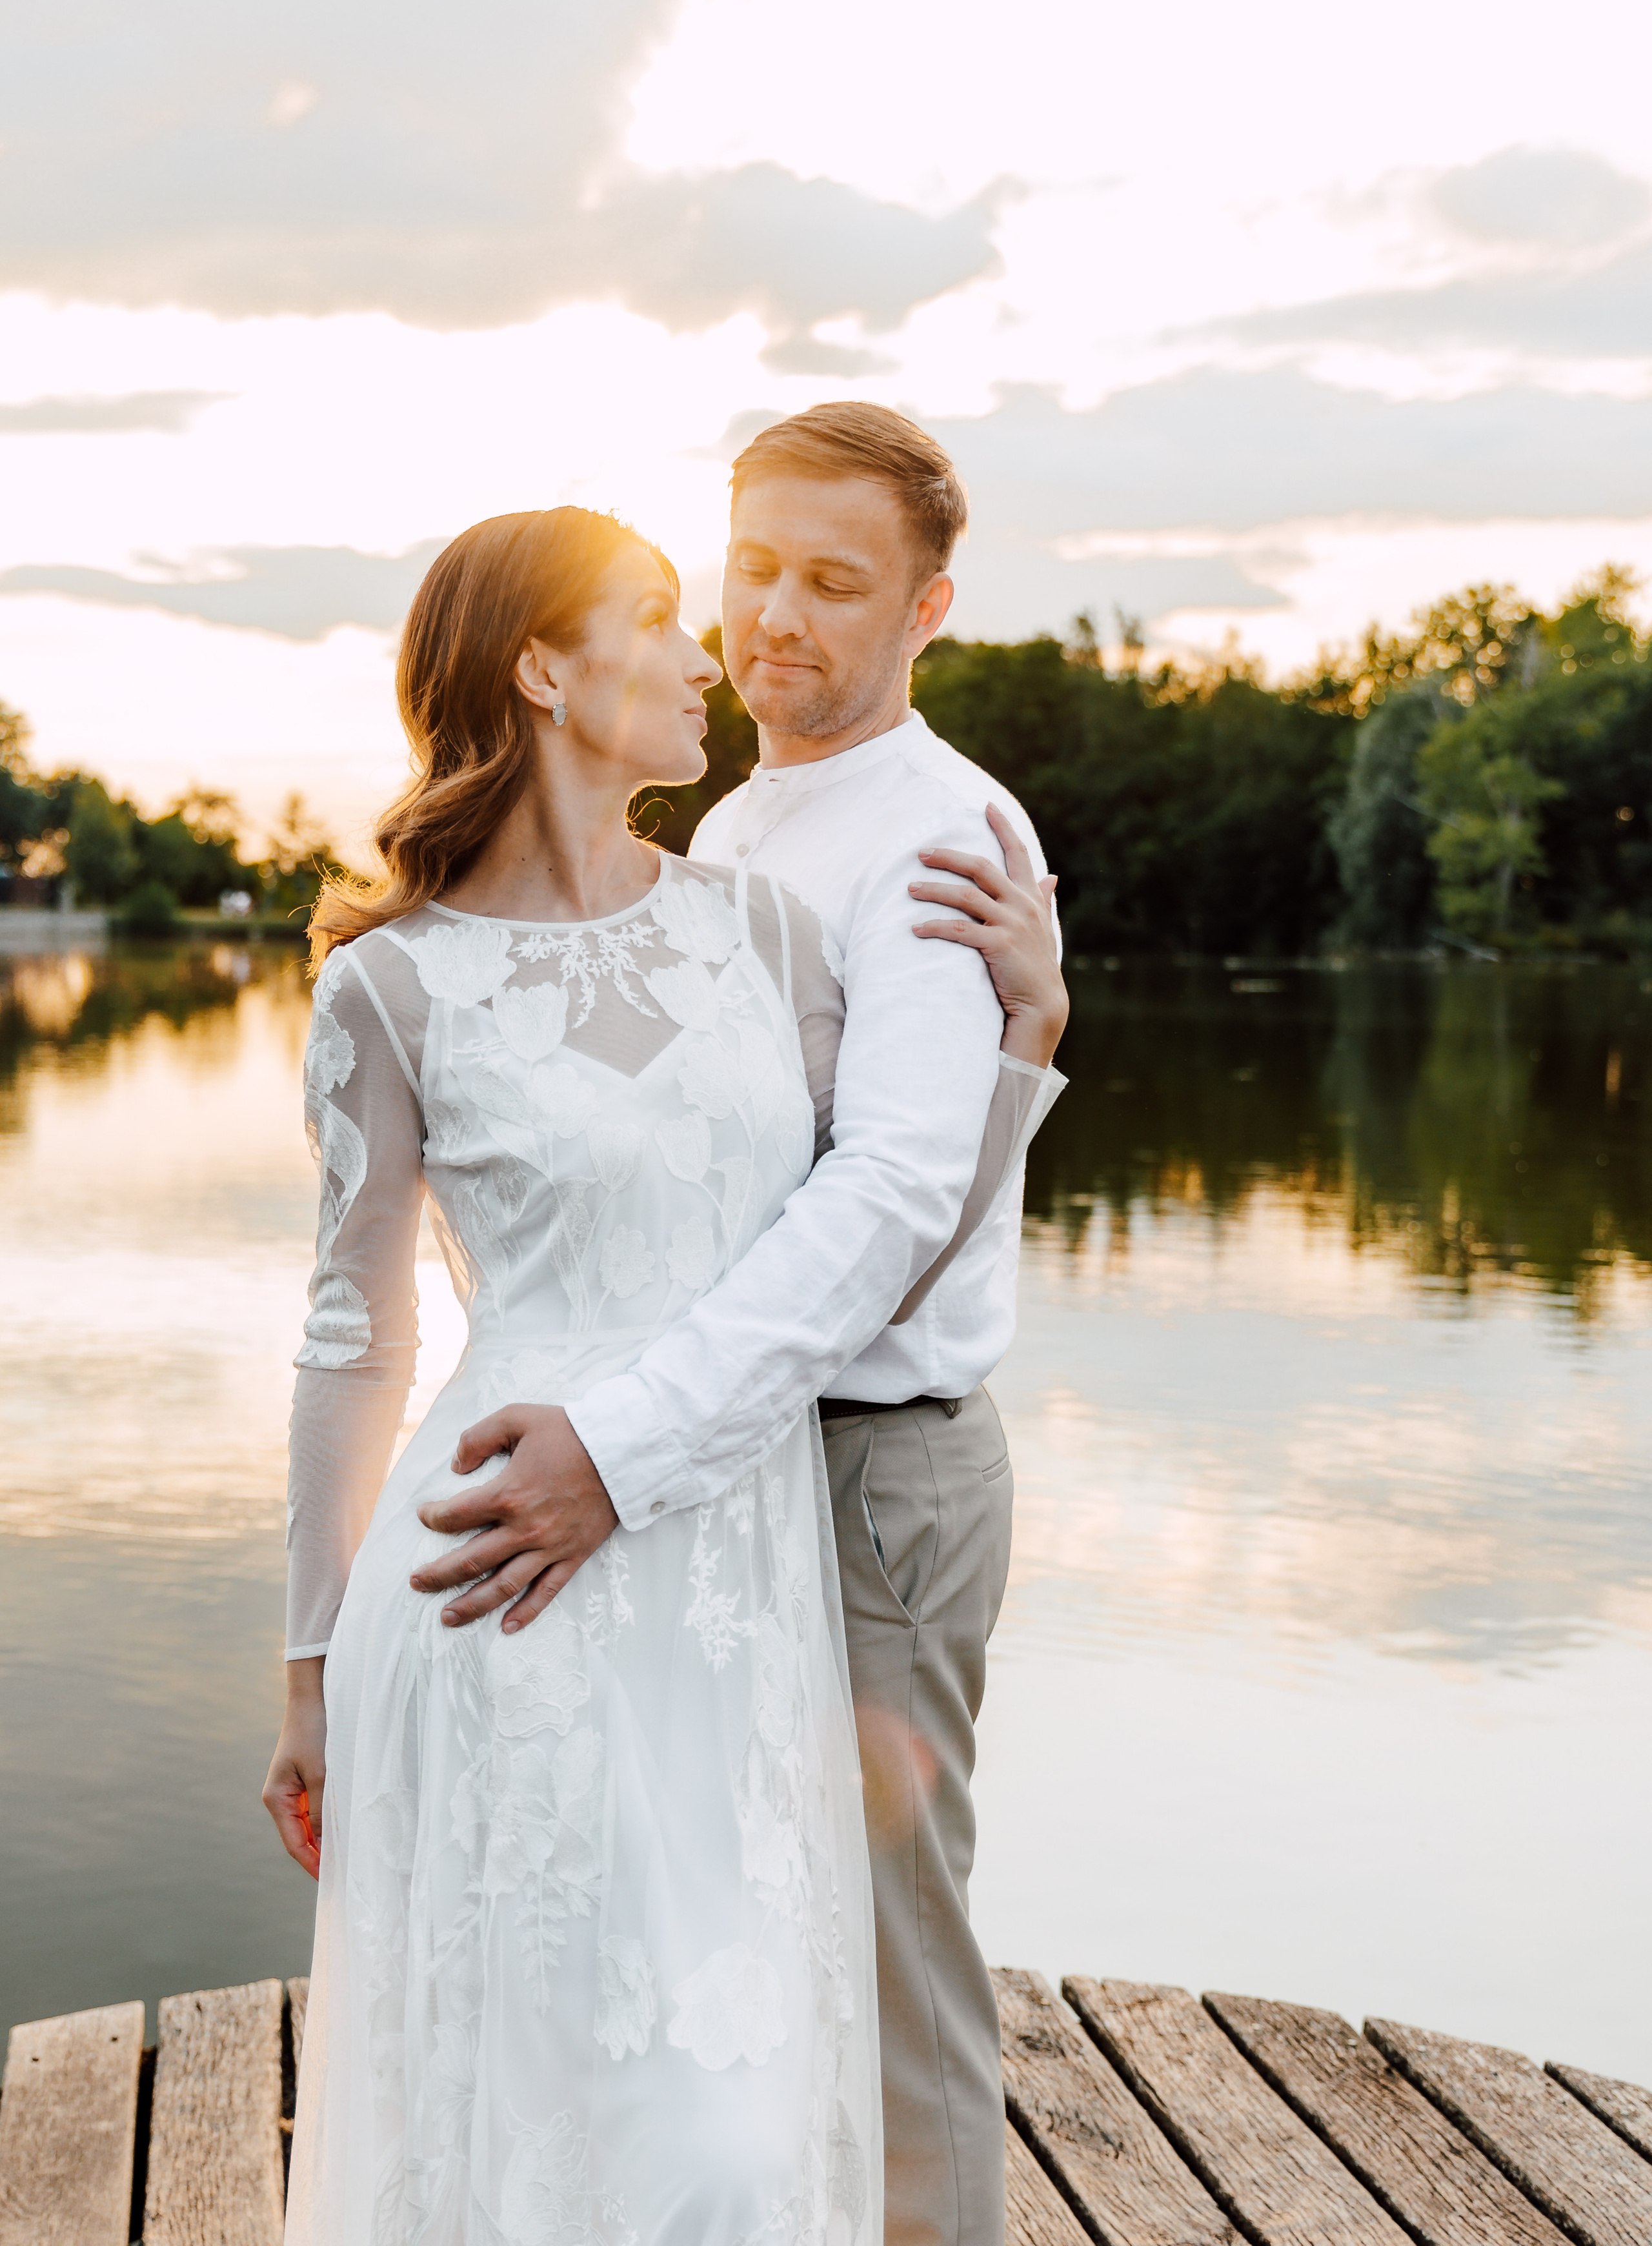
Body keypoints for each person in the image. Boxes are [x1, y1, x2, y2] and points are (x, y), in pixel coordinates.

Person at [263, 492, 1064, 2244]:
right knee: (524, 2113)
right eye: (658, 613)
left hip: (728, 1562)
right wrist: (314, 1662)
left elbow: (879, 1223)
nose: (712, 647)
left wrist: (1026, 1048)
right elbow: (359, 1332)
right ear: (544, 668)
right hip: (491, 1583)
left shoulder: (760, 933)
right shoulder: (388, 988)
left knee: (731, 2126)